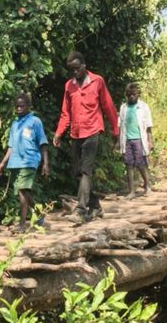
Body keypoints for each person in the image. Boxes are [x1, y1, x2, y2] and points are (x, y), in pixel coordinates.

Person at [53, 51, 119, 222]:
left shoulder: (97, 81)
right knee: (77, 172)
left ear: (83, 66)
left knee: (86, 170)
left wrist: (115, 130)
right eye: (71, 70)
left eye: (76, 68)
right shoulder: (69, 86)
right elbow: (65, 113)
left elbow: (108, 106)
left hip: (92, 131)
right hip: (76, 133)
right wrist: (59, 132)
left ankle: (81, 210)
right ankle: (96, 206)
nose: (74, 72)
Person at [0, 93, 49, 232]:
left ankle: (22, 224)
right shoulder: (15, 124)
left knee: (22, 191)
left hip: (30, 160)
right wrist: (2, 163)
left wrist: (45, 163)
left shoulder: (35, 121)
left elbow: (43, 143)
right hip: (15, 162)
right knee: (22, 191)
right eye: (17, 106)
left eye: (22, 106)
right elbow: (11, 146)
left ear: (28, 106)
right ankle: (39, 213)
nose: (19, 108)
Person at [117, 83, 153, 198]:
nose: (132, 97)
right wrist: (118, 142)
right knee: (128, 165)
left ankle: (147, 185)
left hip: (139, 139)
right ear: (126, 96)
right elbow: (120, 126)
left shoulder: (143, 107)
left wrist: (150, 141)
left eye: (134, 94)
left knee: (141, 164)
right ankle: (132, 191)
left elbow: (148, 126)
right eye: (129, 95)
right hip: (127, 140)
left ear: (138, 94)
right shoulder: (123, 108)